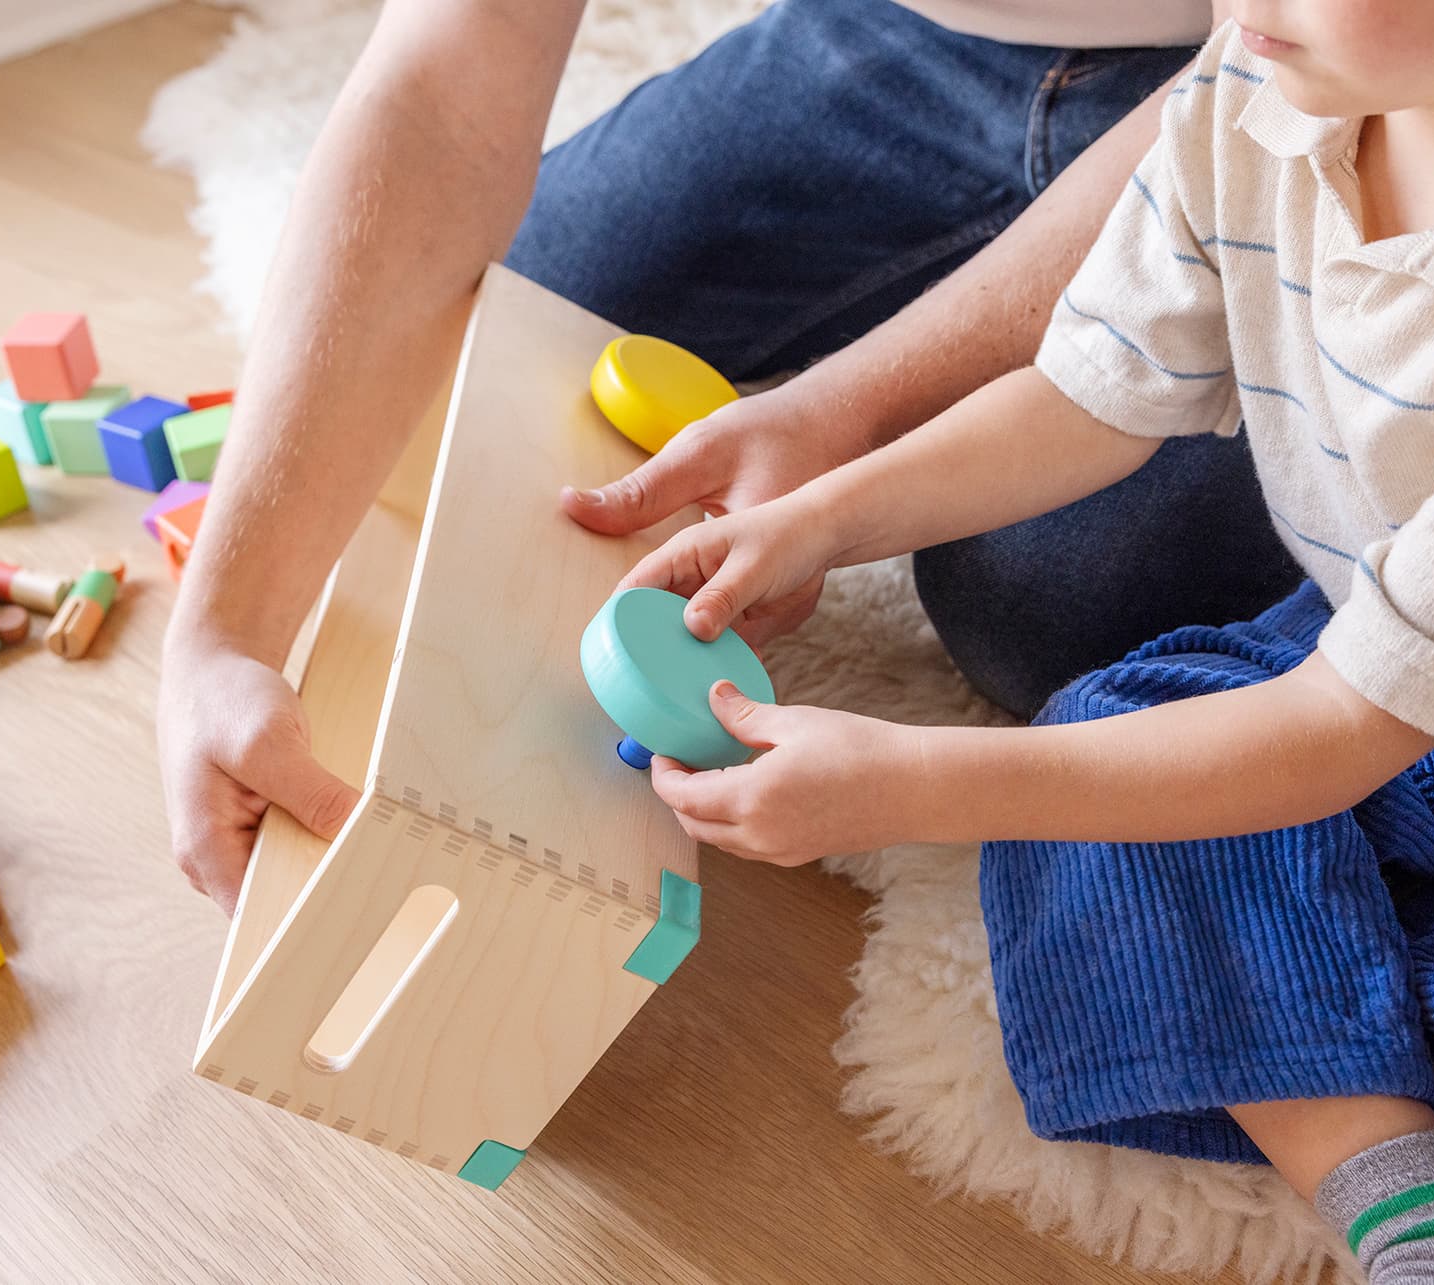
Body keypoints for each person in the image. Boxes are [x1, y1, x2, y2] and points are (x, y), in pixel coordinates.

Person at [616, 3, 1434, 1281]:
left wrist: (915, 786)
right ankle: (1408, 1204)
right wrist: (824, 518)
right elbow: (1089, 394)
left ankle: (1365, 993)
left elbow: (1331, 735)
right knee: (1109, 754)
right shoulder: (1263, 76)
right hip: (1381, 639)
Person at [158, 0, 1307, 910]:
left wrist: (845, 409)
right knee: (504, 336)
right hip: (901, 34)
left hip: (1302, 78)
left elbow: (1257, 83)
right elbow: (439, 87)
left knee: (1034, 607)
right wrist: (221, 630)